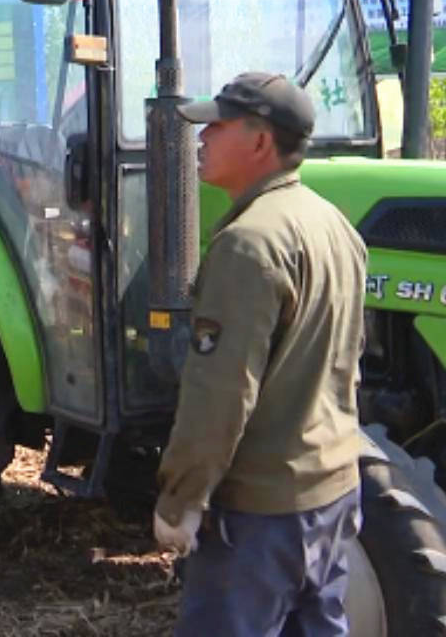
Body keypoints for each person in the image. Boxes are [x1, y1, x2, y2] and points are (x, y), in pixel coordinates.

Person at [153, 71, 366, 636]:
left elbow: (220, 396)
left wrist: (180, 501)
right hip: (333, 492)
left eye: (216, 128)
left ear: (260, 142)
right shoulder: (334, 225)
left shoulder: (248, 244)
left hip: (259, 517)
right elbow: (348, 364)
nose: (201, 139)